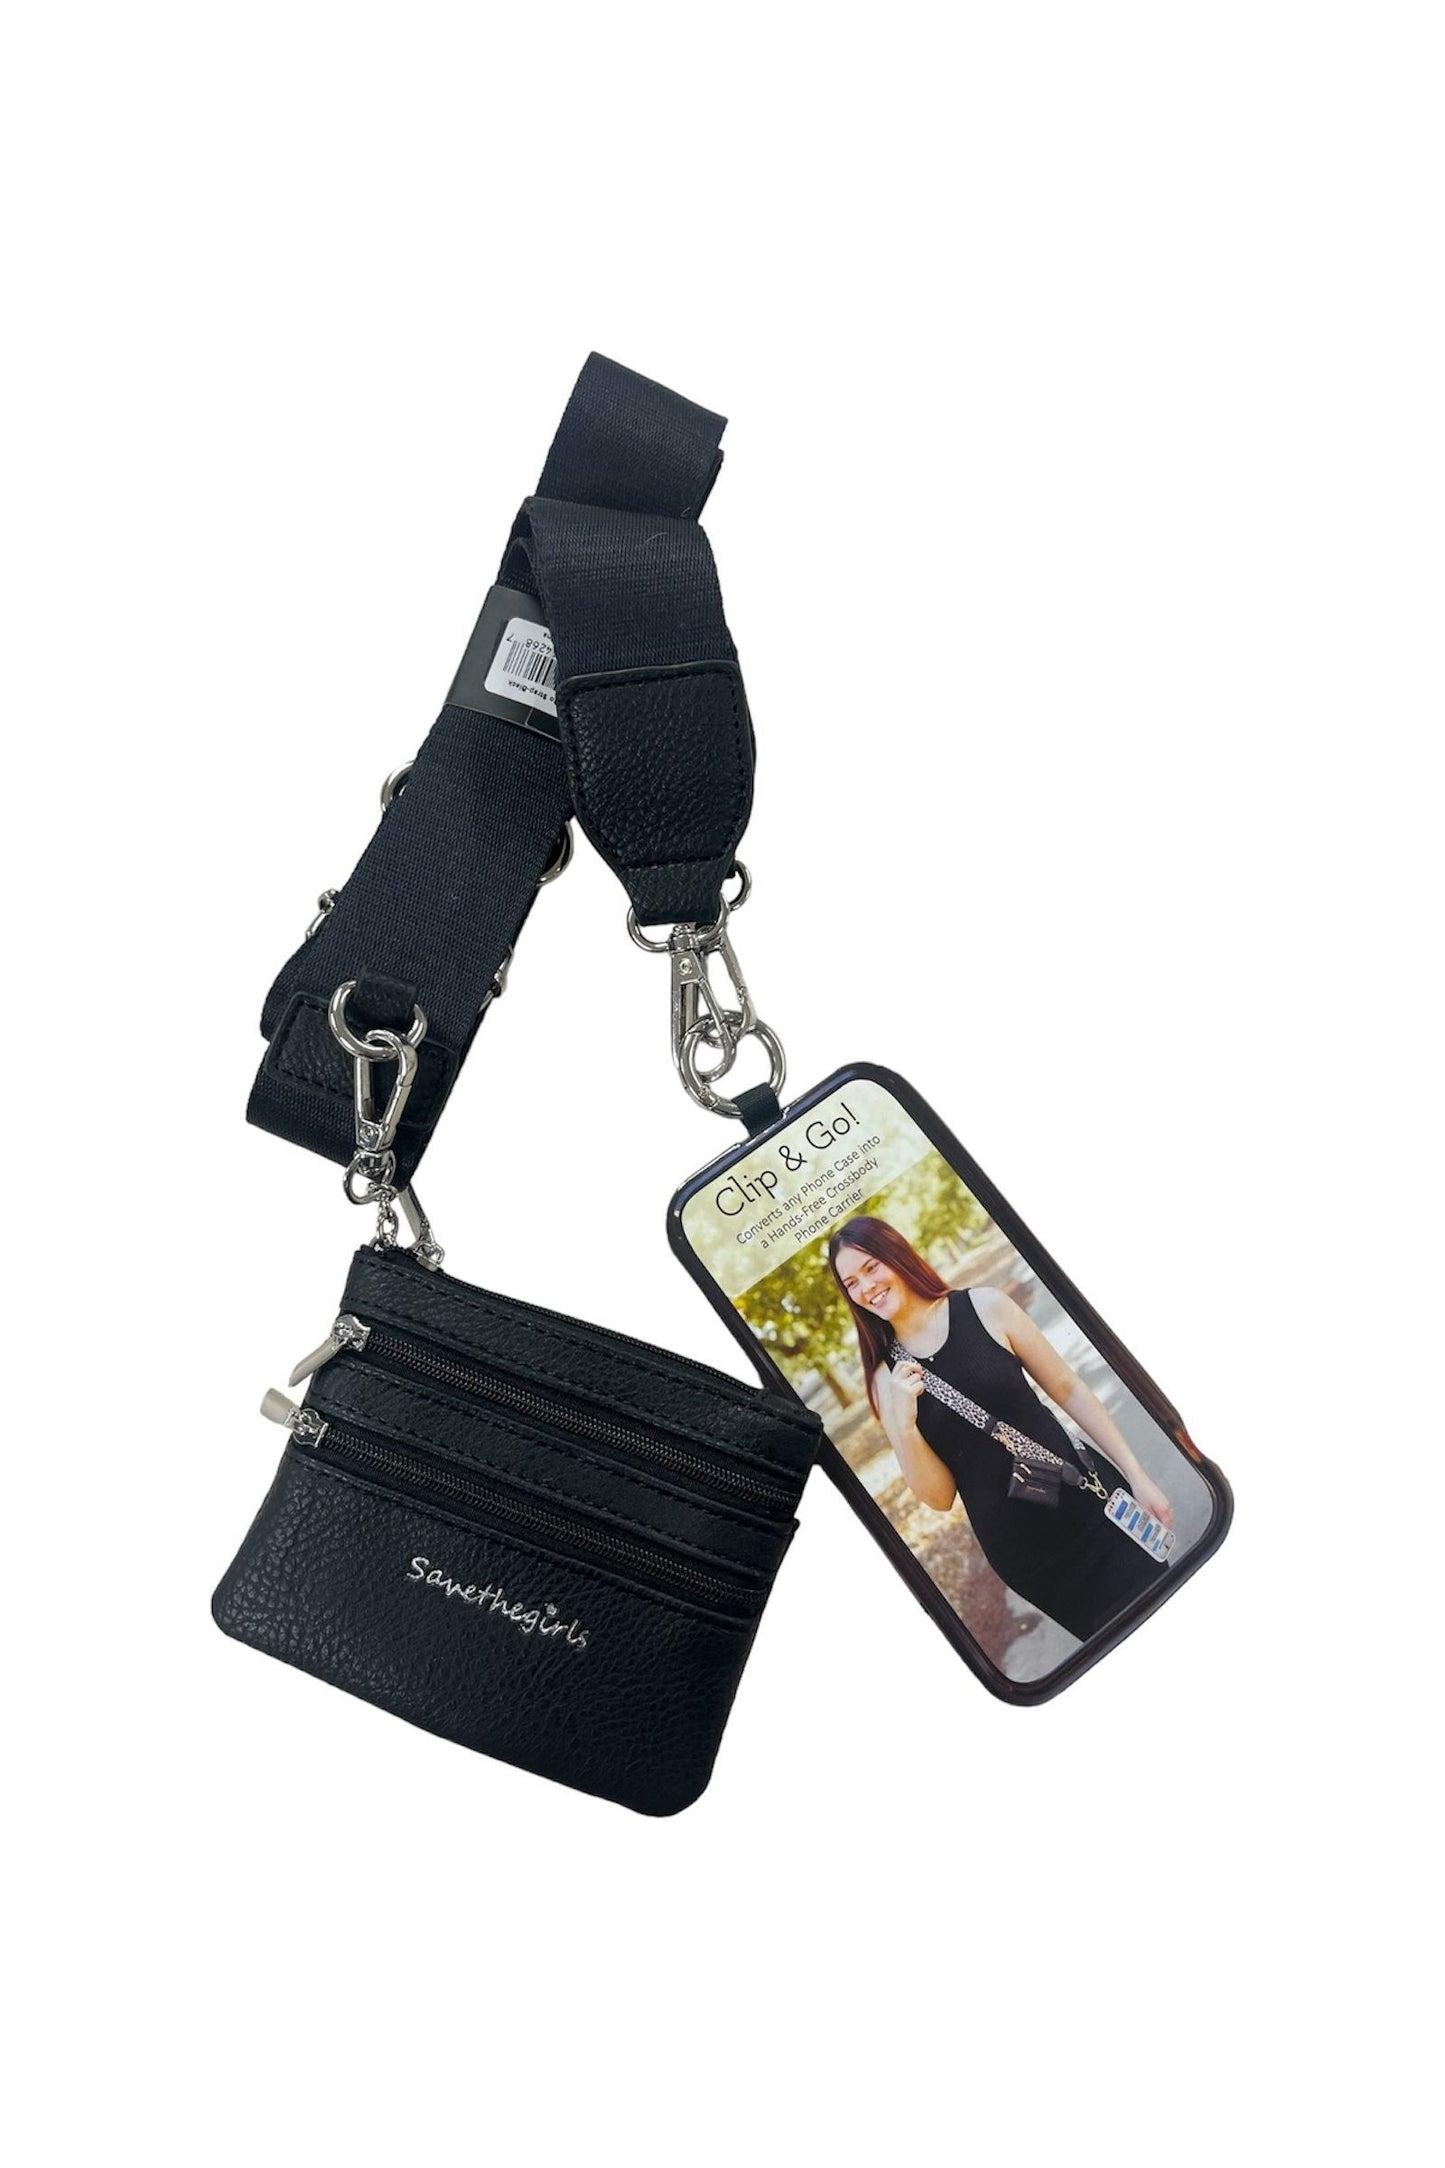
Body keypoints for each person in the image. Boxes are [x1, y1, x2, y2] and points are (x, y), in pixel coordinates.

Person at [827, 1215, 1174, 1641]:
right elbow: (938, 1497)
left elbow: (1069, 1391)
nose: (866, 1287)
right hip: (1028, 1556)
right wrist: (906, 1424)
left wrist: (1137, 1475)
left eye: (871, 1267)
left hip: (1090, 1501)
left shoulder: (985, 1307)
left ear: (896, 1255)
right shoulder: (885, 1380)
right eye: (851, 1283)